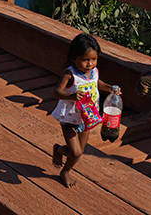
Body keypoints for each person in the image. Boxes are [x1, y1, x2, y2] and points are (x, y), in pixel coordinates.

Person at [51, 34, 119, 188]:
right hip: (70, 117)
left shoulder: (94, 72)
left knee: (79, 151)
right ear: (74, 58)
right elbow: (56, 92)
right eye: (85, 59)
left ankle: (61, 153)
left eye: (93, 59)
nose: (90, 64)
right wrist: (72, 96)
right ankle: (65, 171)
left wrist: (110, 88)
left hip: (87, 117)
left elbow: (97, 84)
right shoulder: (70, 74)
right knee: (75, 153)